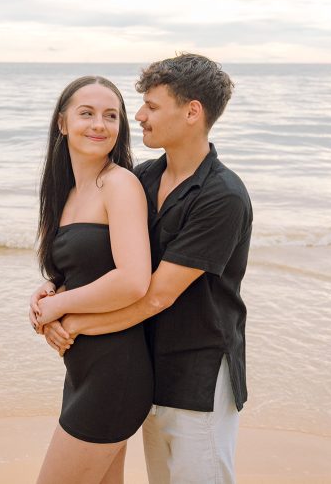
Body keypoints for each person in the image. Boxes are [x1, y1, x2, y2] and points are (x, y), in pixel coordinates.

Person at [40, 54, 252, 484]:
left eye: (151, 106)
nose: (139, 116)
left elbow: (154, 292)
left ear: (192, 111)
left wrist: (71, 320)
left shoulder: (222, 196)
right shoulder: (146, 178)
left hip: (199, 374)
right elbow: (101, 255)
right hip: (149, 366)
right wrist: (51, 292)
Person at [28, 75, 155, 484]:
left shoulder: (119, 184)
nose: (99, 124)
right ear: (62, 123)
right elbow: (81, 269)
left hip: (115, 373)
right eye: (87, 113)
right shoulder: (64, 194)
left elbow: (134, 280)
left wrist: (60, 306)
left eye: (110, 115)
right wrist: (49, 289)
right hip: (82, 372)